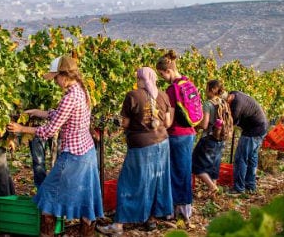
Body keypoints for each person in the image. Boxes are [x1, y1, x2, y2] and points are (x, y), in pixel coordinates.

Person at [8, 55, 103, 237]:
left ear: (64, 75)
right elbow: (62, 114)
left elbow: (49, 132)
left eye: (56, 78)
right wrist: (40, 112)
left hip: (74, 156)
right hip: (87, 153)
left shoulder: (70, 97)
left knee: (47, 195)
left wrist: (21, 128)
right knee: (86, 200)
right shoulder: (82, 91)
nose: (55, 82)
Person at [97, 67, 174, 236]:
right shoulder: (163, 95)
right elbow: (168, 122)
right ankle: (150, 220)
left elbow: (125, 123)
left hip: (141, 145)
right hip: (162, 143)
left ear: (140, 79)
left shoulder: (132, 95)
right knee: (156, 180)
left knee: (129, 182)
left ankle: (118, 225)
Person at [155, 50, 197, 224]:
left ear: (168, 71)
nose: (162, 78)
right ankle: (186, 208)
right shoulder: (188, 82)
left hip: (177, 136)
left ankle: (175, 210)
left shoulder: (172, 90)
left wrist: (157, 121)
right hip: (189, 134)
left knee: (174, 172)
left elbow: (169, 121)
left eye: (161, 74)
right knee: (185, 170)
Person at [192, 80, 232, 195]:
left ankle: (212, 186)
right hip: (220, 139)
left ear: (213, 89)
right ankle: (213, 192)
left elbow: (205, 124)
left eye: (207, 88)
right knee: (215, 165)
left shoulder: (208, 104)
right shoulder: (223, 102)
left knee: (195, 165)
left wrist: (195, 125)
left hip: (208, 139)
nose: (205, 91)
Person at [225, 91, 268, 195]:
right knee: (252, 158)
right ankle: (250, 186)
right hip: (262, 127)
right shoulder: (235, 94)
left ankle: (238, 188)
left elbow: (231, 123)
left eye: (226, 103)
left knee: (240, 158)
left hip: (253, 130)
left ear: (229, 99)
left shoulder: (236, 105)